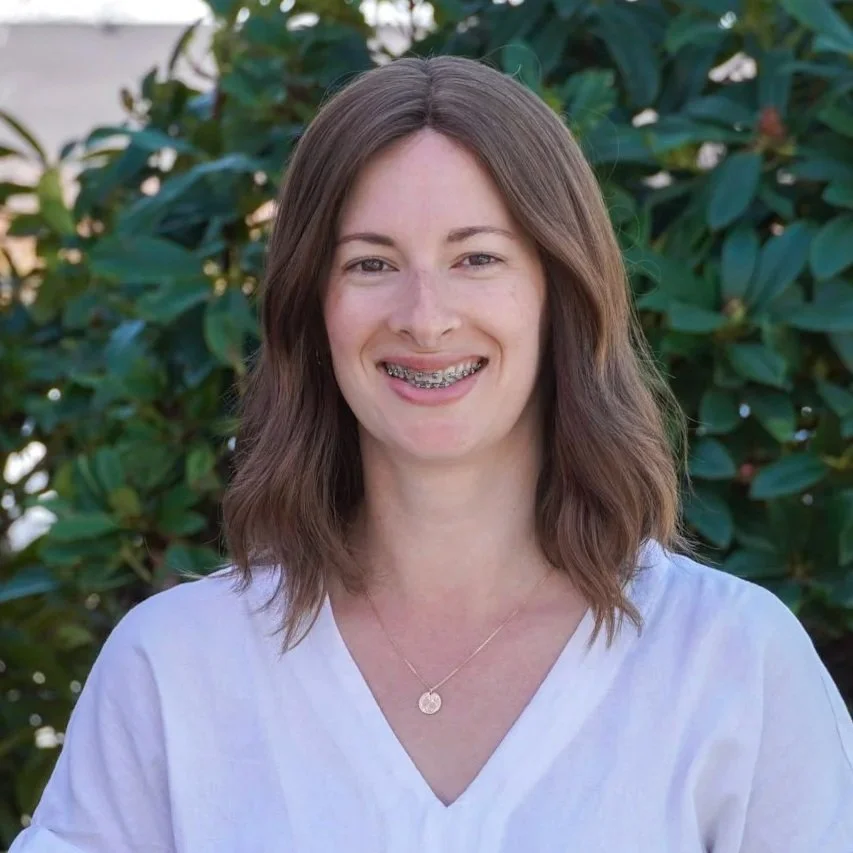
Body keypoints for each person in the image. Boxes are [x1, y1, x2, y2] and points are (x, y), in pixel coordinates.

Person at [9, 55, 853, 853]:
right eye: (371, 263)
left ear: (559, 291)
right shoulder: (174, 668)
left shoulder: (732, 663)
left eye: (475, 257)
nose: (424, 316)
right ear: (313, 307)